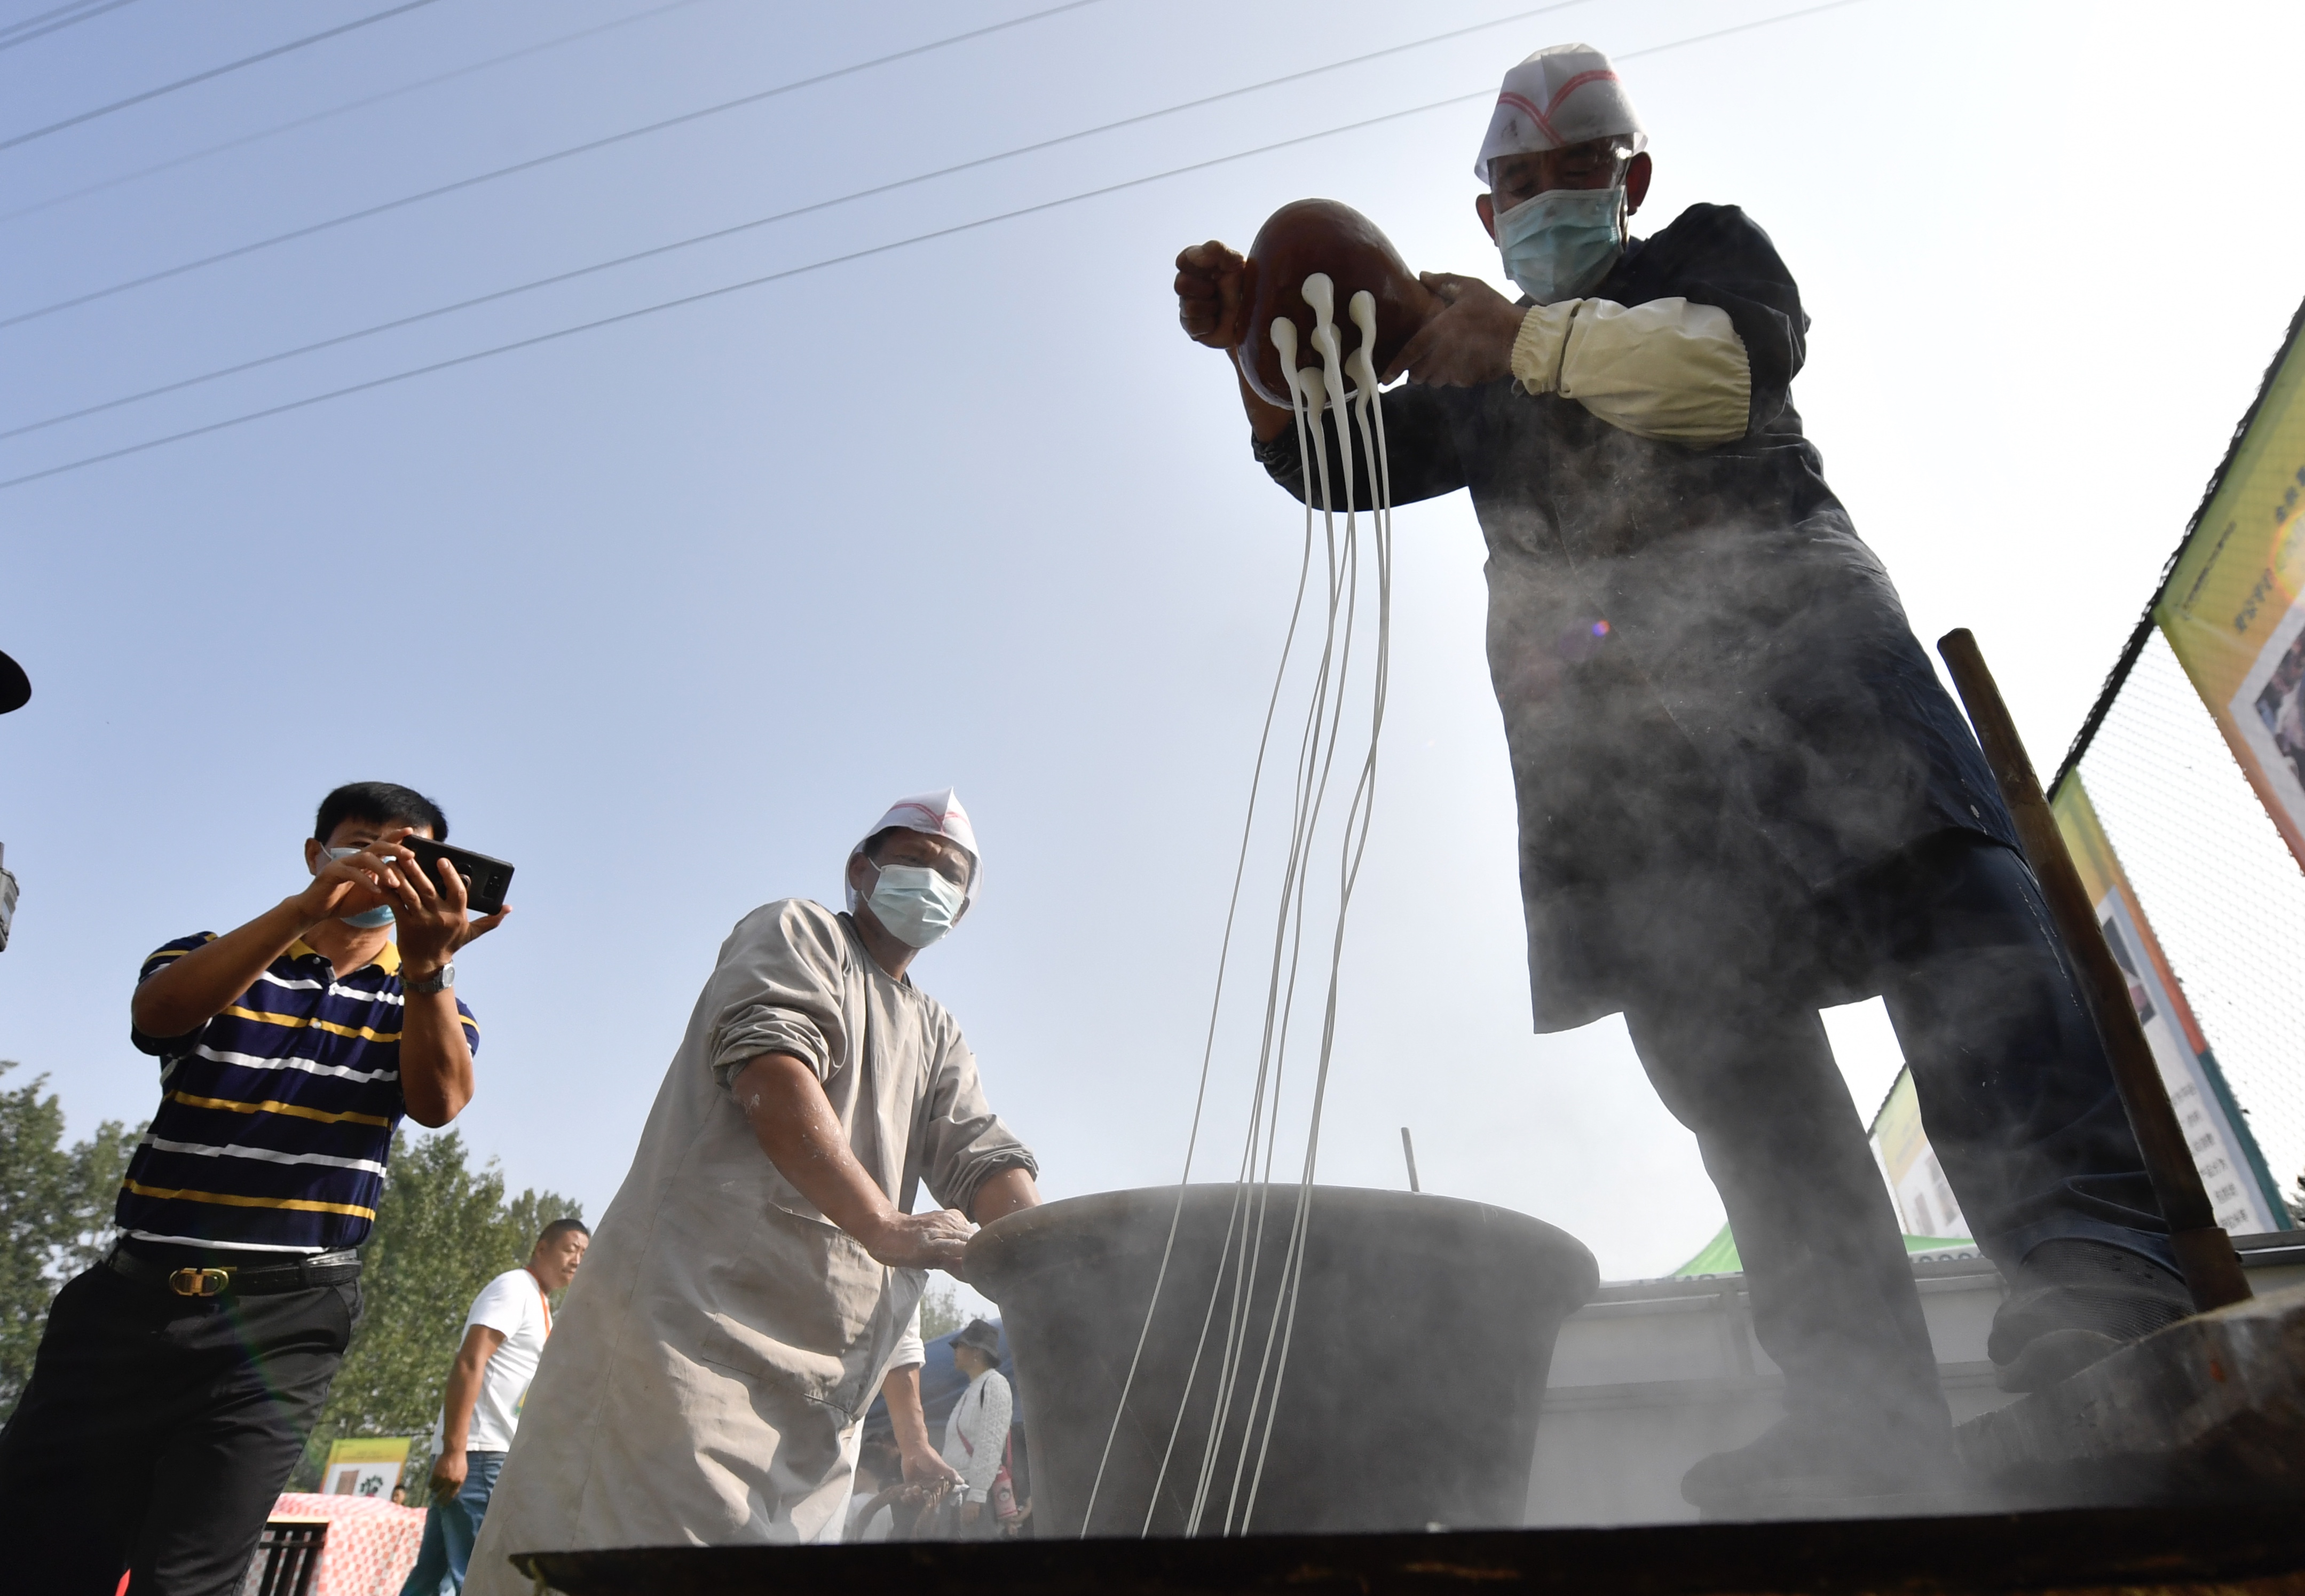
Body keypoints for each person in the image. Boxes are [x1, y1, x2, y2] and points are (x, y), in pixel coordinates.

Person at [1175, 44, 2195, 1514]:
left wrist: (1511, 343)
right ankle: (1855, 1411)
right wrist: (1257, 366)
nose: (1536, 203)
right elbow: (1331, 463)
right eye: (1509, 186)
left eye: (1564, 173)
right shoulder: (1466, 376)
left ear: (1625, 179)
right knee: (1736, 1075)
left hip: (1808, 670)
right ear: (1480, 216)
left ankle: (2101, 1296)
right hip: (1615, 767)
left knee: (1961, 964)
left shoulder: (1700, 256)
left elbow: (1710, 380)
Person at [465, 791, 1038, 1589]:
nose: (929, 880)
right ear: (860, 868)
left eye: (949, 873)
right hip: (688, 1360)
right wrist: (882, 1222)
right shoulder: (798, 932)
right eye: (913, 858)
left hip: (820, 1414)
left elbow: (982, 1155)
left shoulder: (936, 1030)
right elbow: (772, 1068)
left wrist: (1049, 1271)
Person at [0, 781, 501, 1593]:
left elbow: (439, 1101)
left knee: (190, 1575)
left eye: (408, 849)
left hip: (285, 1320)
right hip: (128, 1301)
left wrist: (429, 965)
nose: (383, 862)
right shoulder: (215, 953)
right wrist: (303, 912)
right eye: (364, 841)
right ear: (316, 853)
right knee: (38, 1553)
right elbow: (159, 1013)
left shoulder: (426, 999)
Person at [399, 1219, 590, 1595]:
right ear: (541, 1248)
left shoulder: (540, 1302)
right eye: (570, 1248)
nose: (577, 1260)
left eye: (584, 1253)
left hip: (480, 1455)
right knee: (484, 1578)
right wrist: (456, 1450)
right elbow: (471, 1361)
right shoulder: (514, 1288)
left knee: (431, 1578)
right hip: (479, 1456)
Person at [938, 1319, 1014, 1538]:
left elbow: (990, 1443)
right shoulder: (972, 1390)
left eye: (960, 1345)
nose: (956, 1351)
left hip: (976, 1492)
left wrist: (978, 1495)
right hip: (958, 1491)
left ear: (977, 1352)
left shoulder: (995, 1384)